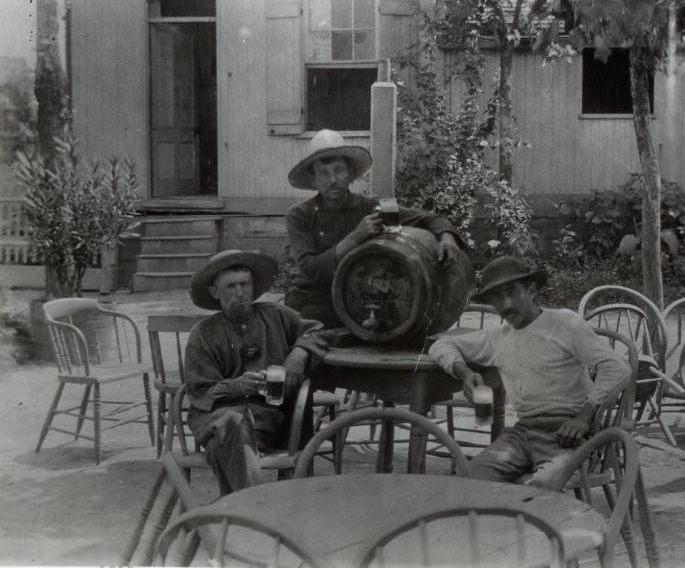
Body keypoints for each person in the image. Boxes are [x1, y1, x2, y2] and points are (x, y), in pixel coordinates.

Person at [428, 256, 631, 489]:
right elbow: (440, 345)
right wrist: (464, 373)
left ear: (532, 289)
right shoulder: (497, 338)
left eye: (512, 292)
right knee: (469, 480)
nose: (505, 305)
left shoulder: (565, 324)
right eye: (496, 298)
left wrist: (585, 417)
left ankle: (538, 521)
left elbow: (617, 368)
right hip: (522, 434)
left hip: (569, 435)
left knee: (540, 486)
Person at [184, 249, 329, 494]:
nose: (240, 293)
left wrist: (300, 352)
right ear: (215, 292)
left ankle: (238, 511)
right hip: (216, 419)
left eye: (245, 284)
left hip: (264, 421)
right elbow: (200, 392)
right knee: (231, 426)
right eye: (230, 286)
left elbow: (318, 332)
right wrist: (237, 386)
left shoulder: (276, 316)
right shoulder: (203, 334)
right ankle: (252, 508)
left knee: (234, 440)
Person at [286, 129, 465, 326]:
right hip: (313, 305)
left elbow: (428, 218)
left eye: (339, 170)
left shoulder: (371, 206)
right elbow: (314, 271)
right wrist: (355, 238)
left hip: (358, 299)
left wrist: (447, 237)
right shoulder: (300, 215)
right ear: (313, 179)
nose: (333, 180)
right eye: (324, 173)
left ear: (351, 174)